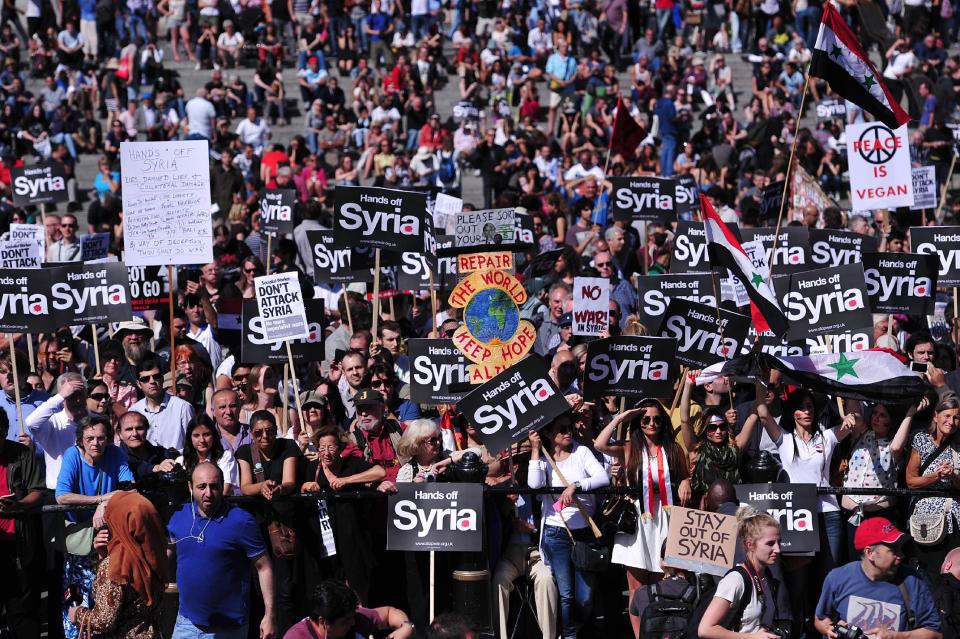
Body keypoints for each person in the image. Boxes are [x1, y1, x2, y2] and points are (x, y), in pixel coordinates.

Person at [594, 399, 691, 637]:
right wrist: (620, 418)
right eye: (646, 419)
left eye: (657, 419)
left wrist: (686, 482)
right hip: (637, 520)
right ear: (639, 422)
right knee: (637, 588)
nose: (651, 424)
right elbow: (599, 444)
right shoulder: (630, 447)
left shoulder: (673, 448)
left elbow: (684, 475)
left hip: (665, 518)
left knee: (663, 582)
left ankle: (659, 632)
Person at [168, 462, 276, 639]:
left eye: (214, 486)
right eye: (201, 487)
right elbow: (165, 553)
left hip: (228, 628)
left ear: (222, 485)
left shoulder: (241, 521)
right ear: (190, 487)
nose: (208, 493)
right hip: (186, 623)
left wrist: (270, 615)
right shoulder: (180, 515)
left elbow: (264, 567)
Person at [528, 414, 610, 639]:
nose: (568, 432)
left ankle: (576, 627)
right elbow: (534, 484)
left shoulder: (581, 452)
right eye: (562, 429)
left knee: (584, 597)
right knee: (565, 594)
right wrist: (535, 450)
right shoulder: (544, 460)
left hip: (584, 533)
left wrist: (576, 485)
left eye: (570, 428)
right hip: (557, 532)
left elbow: (603, 478)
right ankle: (569, 635)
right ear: (547, 434)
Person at [55, 417, 134, 639]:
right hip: (80, 541)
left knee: (105, 600)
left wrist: (105, 505)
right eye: (90, 438)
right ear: (81, 441)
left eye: (101, 438)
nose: (96, 443)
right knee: (77, 597)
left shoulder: (116, 453)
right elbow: (61, 496)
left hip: (108, 537)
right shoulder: (73, 455)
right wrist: (99, 500)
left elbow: (129, 488)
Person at [814, 517, 942, 639]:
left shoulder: (912, 580)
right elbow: (820, 619)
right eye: (893, 550)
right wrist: (830, 629)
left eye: (900, 548)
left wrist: (895, 636)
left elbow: (936, 634)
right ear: (870, 553)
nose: (901, 555)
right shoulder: (838, 577)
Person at [300, 426, 385, 603]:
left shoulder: (352, 463)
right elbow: (301, 487)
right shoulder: (312, 468)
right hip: (327, 536)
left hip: (353, 535)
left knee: (357, 584)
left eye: (331, 447)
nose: (326, 453)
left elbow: (379, 472)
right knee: (331, 586)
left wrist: (346, 480)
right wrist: (308, 487)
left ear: (340, 448)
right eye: (322, 448)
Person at [67, 491, 167, 639]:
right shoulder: (156, 552)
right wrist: (103, 555)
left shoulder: (115, 565)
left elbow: (104, 620)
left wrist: (78, 614)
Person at [236, 410, 301, 634]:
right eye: (258, 432)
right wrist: (261, 487)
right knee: (258, 584)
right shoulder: (245, 452)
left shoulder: (289, 447)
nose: (265, 436)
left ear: (276, 430)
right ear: (252, 434)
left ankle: (288, 633)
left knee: (285, 585)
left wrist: (279, 488)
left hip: (282, 523)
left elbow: (290, 481)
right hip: (257, 525)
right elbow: (245, 487)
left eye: (270, 431)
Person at [698, 507, 785, 639]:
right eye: (770, 543)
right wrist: (753, 637)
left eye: (779, 542)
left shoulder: (766, 577)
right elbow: (705, 629)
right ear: (750, 545)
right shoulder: (736, 580)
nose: (777, 549)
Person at [0, 408, 45, 639]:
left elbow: (37, 490)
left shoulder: (21, 454)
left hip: (18, 539)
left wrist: (19, 505)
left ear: (5, 429)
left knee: (22, 606)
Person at [905, 397, 960, 574]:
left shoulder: (959, 445)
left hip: (954, 519)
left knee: (951, 572)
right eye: (947, 416)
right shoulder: (921, 440)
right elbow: (911, 481)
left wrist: (953, 476)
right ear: (936, 416)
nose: (951, 422)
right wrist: (936, 476)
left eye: (956, 417)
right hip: (925, 520)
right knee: (927, 572)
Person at [282, 579, 414, 639]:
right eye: (345, 621)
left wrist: (406, 627)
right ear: (323, 622)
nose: (352, 623)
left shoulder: (354, 618)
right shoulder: (296, 636)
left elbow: (390, 612)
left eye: (352, 617)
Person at [130, 358, 195, 452]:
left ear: (162, 379)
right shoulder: (134, 411)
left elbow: (192, 443)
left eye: (156, 376)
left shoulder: (183, 407)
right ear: (138, 384)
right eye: (145, 379)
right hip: (147, 465)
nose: (152, 381)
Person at [176, 414, 239, 494]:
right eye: (196, 435)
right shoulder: (181, 461)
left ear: (214, 435)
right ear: (190, 438)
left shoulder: (225, 458)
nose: (202, 440)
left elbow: (224, 491)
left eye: (206, 434)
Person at [116, 411, 177, 481]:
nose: (135, 434)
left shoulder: (161, 453)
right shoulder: (116, 458)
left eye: (139, 428)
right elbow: (134, 467)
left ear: (146, 430)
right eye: (129, 429)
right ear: (119, 434)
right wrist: (155, 468)